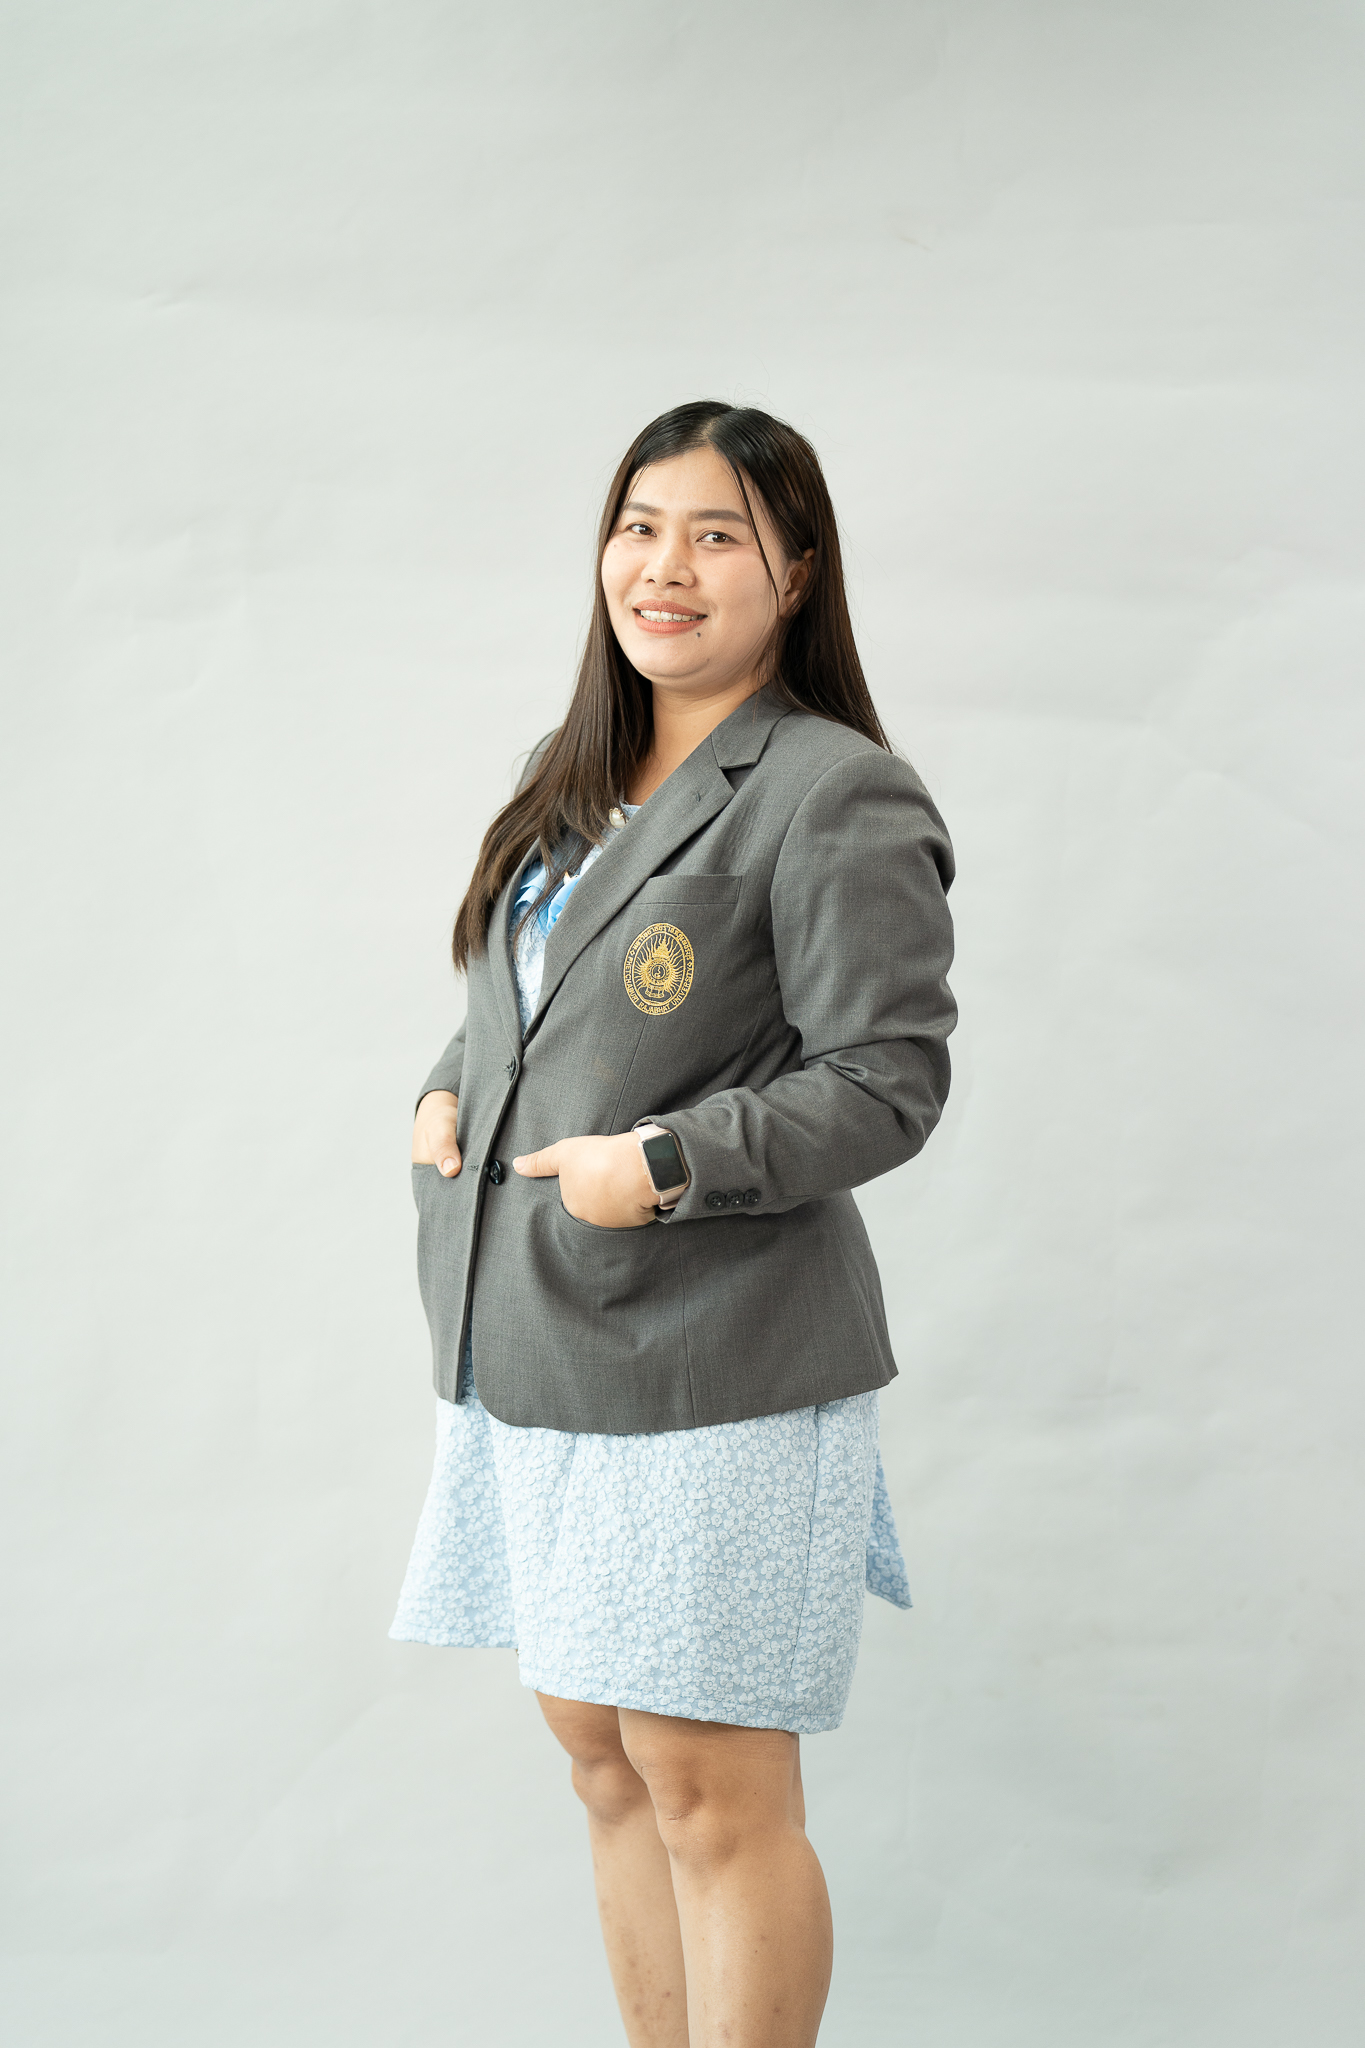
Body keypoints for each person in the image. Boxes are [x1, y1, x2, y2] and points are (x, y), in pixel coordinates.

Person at [392, 399, 955, 2048]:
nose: (665, 567)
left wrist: (663, 1161)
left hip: (719, 1360)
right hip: (535, 1343)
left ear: (796, 570)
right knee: (601, 1756)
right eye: (639, 527)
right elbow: (527, 1005)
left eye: (717, 535)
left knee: (707, 1783)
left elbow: (888, 1080)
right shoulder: (569, 777)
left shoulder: (833, 791)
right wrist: (445, 1088)